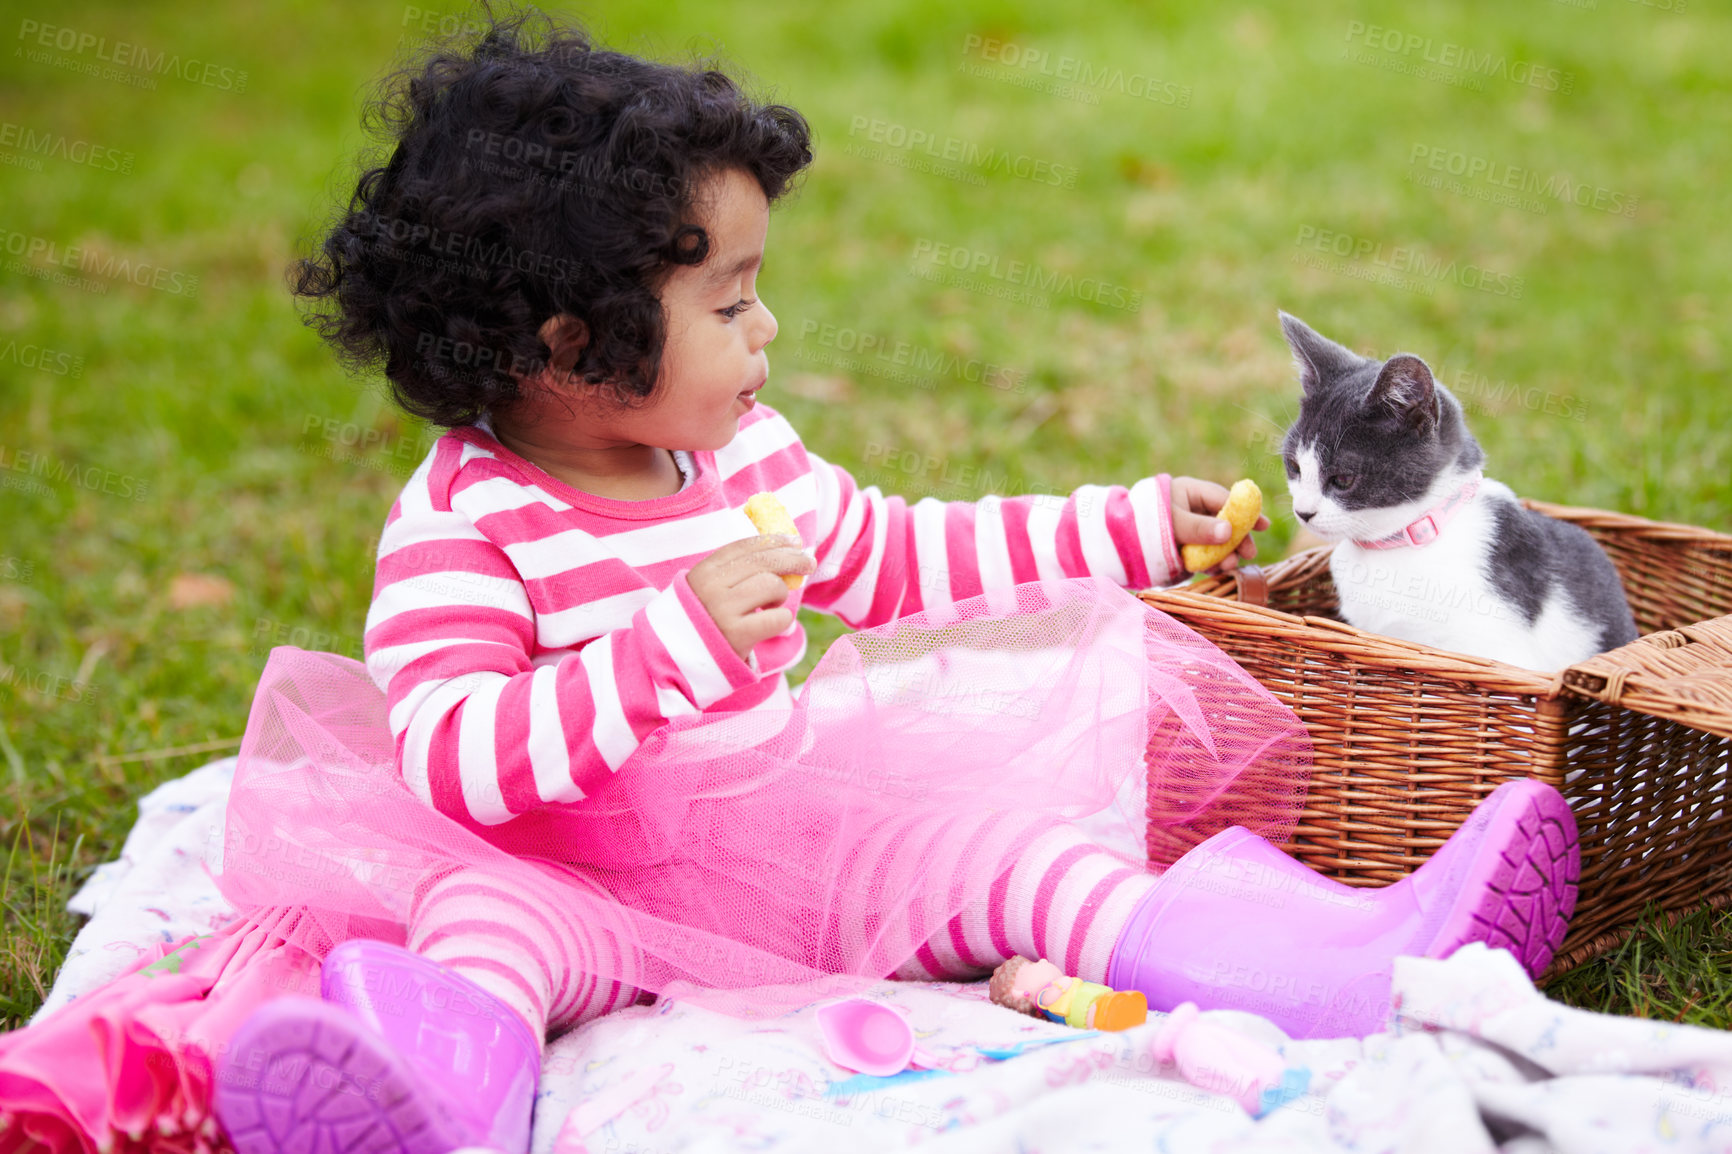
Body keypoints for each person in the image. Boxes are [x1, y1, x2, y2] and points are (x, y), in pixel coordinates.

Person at [190, 11, 1578, 1153]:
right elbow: (452, 762)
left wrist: (1130, 523)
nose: (766, 327)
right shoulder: (466, 520)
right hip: (575, 878)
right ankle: (430, 1092)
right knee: (479, 922)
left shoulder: (743, 457)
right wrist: (659, 648)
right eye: (728, 303)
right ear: (571, 342)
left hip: (787, 838)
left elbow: (905, 555)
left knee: (1018, 853)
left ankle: (1355, 958)